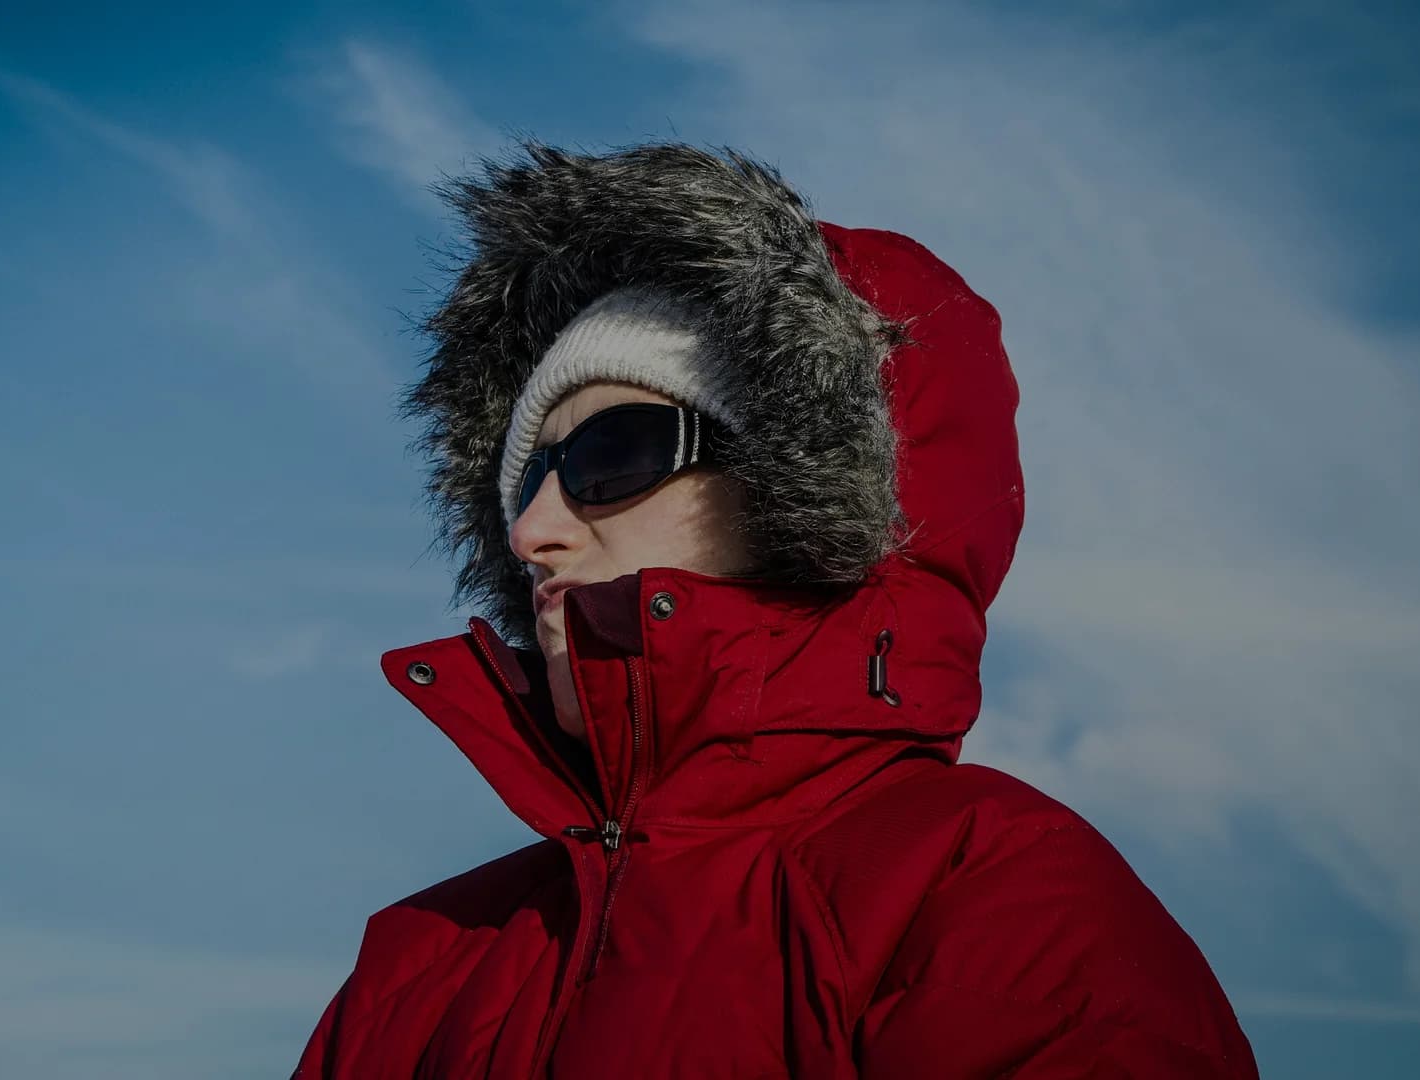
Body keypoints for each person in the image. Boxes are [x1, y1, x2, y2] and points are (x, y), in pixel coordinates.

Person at [292, 140, 1259, 1078]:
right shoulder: (416, 966)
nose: (532, 527)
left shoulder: (996, 896)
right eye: (524, 478)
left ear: (796, 487)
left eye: (609, 455)